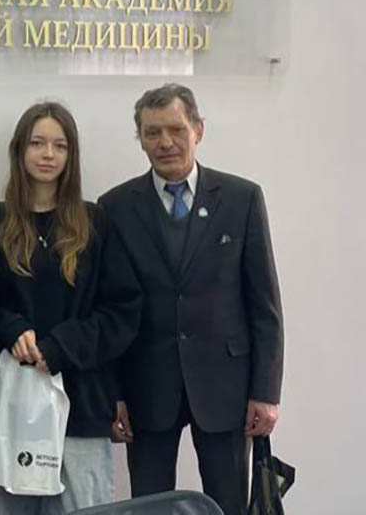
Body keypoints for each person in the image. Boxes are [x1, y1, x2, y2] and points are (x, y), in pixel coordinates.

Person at [99, 83, 284, 515]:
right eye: (152, 132)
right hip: (146, 385)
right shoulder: (115, 207)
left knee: (229, 503)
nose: (165, 142)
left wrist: (266, 391)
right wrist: (113, 393)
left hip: (226, 386)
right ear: (140, 139)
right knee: (149, 507)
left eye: (176, 129)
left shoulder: (241, 199)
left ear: (198, 130)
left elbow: (264, 306)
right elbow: (110, 309)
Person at [0, 102, 142, 514]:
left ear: (72, 155)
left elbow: (122, 310)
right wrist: (10, 329)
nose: (48, 154)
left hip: (82, 409)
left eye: (59, 145)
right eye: (37, 143)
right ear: (19, 150)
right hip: (13, 409)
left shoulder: (95, 222)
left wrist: (63, 346)